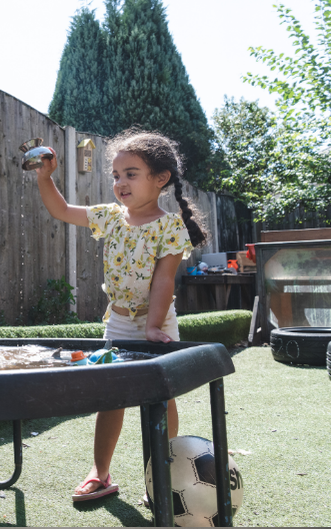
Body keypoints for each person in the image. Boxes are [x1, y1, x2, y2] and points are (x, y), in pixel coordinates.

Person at [33, 128, 207, 503]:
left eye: (131, 174)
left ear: (160, 179)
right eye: (115, 175)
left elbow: (164, 281)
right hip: (119, 320)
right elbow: (62, 210)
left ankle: (160, 471)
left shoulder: (169, 226)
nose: (120, 183)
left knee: (161, 396)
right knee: (110, 396)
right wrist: (45, 178)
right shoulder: (111, 217)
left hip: (157, 321)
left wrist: (153, 327)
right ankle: (100, 472)